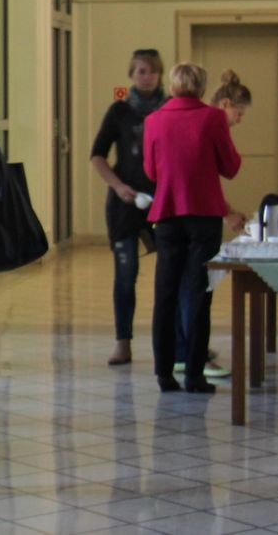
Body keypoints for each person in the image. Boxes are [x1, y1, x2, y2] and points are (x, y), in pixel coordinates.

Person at [143, 62, 242, 393]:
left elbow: (151, 172)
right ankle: (195, 375)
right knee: (199, 294)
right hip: (204, 215)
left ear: (172, 87)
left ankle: (164, 373)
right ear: (201, 89)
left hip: (168, 214)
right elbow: (230, 167)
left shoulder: (154, 120)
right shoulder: (213, 118)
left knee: (165, 294)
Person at [90, 49, 167, 366]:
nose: (147, 77)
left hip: (162, 203)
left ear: (160, 75)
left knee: (171, 275)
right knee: (125, 274)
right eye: (141, 71)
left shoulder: (169, 110)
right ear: (131, 75)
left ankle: (177, 341)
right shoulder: (119, 111)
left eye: (152, 71)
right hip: (125, 203)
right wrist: (118, 186)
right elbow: (97, 155)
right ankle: (123, 341)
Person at [173, 69, 252, 378]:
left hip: (175, 213)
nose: (239, 120)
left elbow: (205, 181)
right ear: (225, 104)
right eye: (239, 113)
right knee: (195, 287)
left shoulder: (186, 119)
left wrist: (228, 212)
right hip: (195, 217)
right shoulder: (209, 121)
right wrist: (226, 212)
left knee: (183, 285)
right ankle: (192, 354)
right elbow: (225, 170)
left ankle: (185, 349)